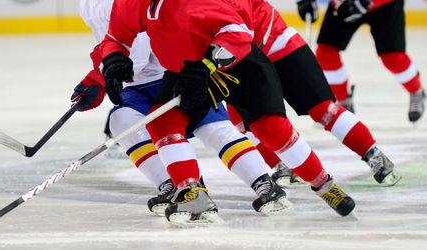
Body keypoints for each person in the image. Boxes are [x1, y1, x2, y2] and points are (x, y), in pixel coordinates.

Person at [99, 0, 356, 224]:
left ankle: (325, 186)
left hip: (240, 66)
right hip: (189, 70)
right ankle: (191, 191)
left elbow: (238, 33)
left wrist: (208, 64)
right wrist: (114, 60)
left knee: (272, 130)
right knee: (163, 121)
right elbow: (117, 36)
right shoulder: (131, 3)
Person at [73, 0, 291, 220]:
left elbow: (135, 56)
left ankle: (262, 181)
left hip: (179, 73)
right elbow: (110, 43)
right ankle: (173, 185)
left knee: (212, 126)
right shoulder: (89, 4)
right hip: (138, 86)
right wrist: (98, 74)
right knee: (121, 119)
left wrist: (100, 78)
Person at [225, 0, 400, 187]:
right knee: (242, 119)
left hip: (275, 41)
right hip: (240, 59)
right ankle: (283, 164)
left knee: (323, 110)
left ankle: (373, 155)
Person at [297, 0, 427, 122]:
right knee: (326, 53)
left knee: (393, 58)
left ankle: (417, 90)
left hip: (385, 6)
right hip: (345, 3)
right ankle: (344, 103)